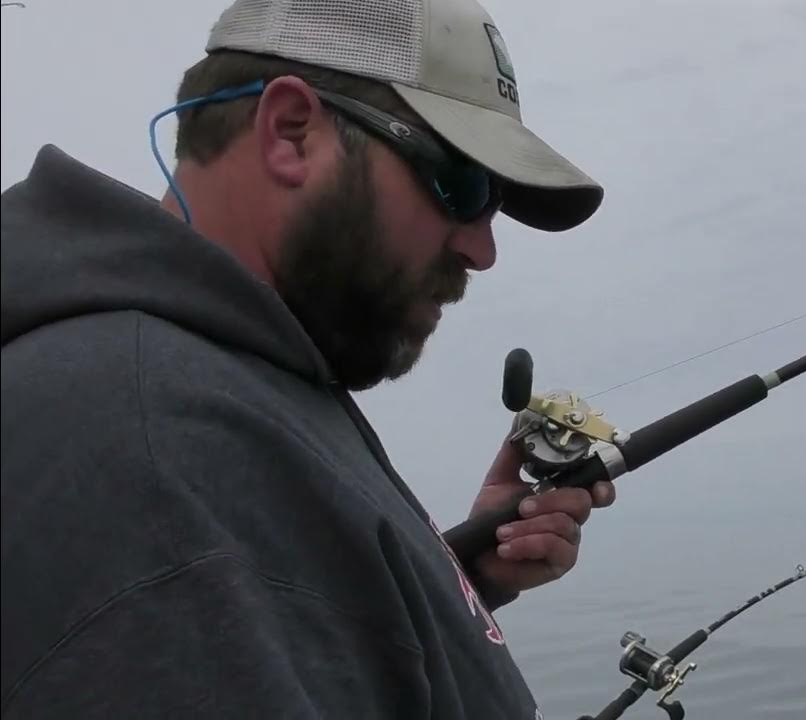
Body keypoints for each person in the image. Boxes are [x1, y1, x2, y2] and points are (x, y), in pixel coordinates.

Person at [0, 0, 615, 717]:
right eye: (463, 184)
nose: (483, 249)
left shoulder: (230, 386)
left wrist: (455, 575)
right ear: (291, 132)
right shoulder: (153, 450)